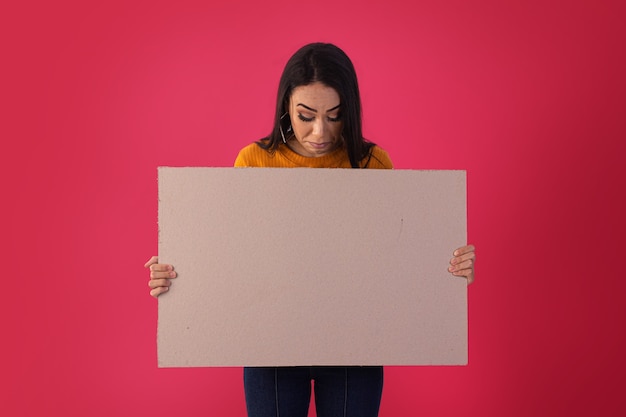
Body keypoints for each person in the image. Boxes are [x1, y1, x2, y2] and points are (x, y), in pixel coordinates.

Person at [145, 42, 476, 417]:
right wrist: (179, 272)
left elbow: (393, 258)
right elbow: (235, 255)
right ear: (286, 106)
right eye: (306, 116)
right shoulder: (254, 161)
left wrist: (448, 273)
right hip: (270, 347)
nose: (320, 131)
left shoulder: (371, 163)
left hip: (356, 348)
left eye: (335, 116)